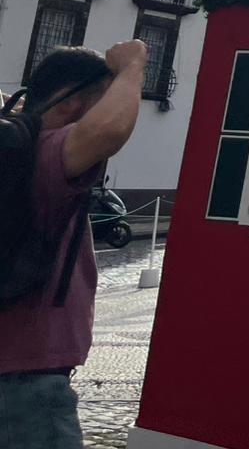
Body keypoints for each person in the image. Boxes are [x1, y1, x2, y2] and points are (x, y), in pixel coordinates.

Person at [0, 41, 147, 449]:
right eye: (97, 103)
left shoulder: (12, 148)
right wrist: (132, 66)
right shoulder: (43, 152)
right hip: (22, 381)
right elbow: (109, 131)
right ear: (70, 106)